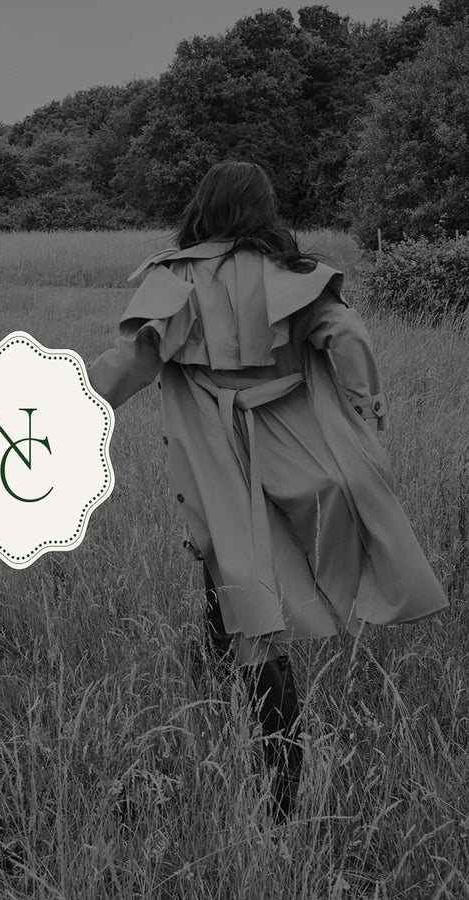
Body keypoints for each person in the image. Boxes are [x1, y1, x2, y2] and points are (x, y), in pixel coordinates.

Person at [87, 161, 448, 822]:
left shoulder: (178, 277)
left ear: (204, 208)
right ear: (263, 209)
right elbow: (348, 335)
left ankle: (281, 786)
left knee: (246, 594)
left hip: (219, 461)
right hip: (297, 458)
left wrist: (62, 405)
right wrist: (365, 413)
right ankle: (236, 707)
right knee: (246, 586)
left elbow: (131, 362)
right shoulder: (292, 274)